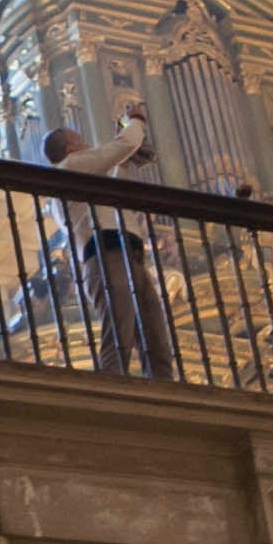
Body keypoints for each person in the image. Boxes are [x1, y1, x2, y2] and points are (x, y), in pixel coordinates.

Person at [43, 96, 180, 380]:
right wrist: (136, 121)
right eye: (81, 140)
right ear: (71, 148)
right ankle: (112, 385)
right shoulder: (70, 166)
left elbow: (118, 183)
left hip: (129, 252)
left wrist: (127, 162)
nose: (88, 146)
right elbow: (122, 146)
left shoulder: (87, 177)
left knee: (154, 332)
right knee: (119, 330)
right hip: (106, 253)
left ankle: (165, 389)